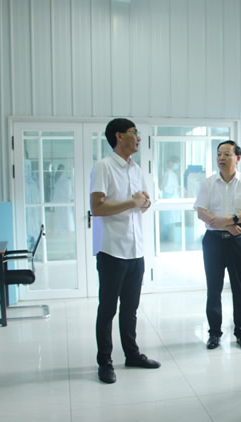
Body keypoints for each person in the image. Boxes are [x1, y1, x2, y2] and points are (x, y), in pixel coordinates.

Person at [90, 118, 160, 384]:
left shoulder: (136, 169)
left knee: (130, 309)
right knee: (108, 309)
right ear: (119, 136)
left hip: (135, 249)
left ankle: (132, 354)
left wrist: (144, 203)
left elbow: (141, 205)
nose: (139, 138)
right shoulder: (103, 166)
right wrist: (132, 202)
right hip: (112, 250)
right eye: (134, 133)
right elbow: (97, 208)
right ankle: (105, 362)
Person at [194, 141, 241, 350]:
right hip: (213, 241)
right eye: (219, 154)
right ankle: (214, 333)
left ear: (237, 158)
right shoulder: (208, 183)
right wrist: (226, 225)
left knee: (240, 289)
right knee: (213, 289)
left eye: (226, 154)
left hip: (239, 241)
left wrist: (230, 221)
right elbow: (201, 212)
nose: (221, 158)